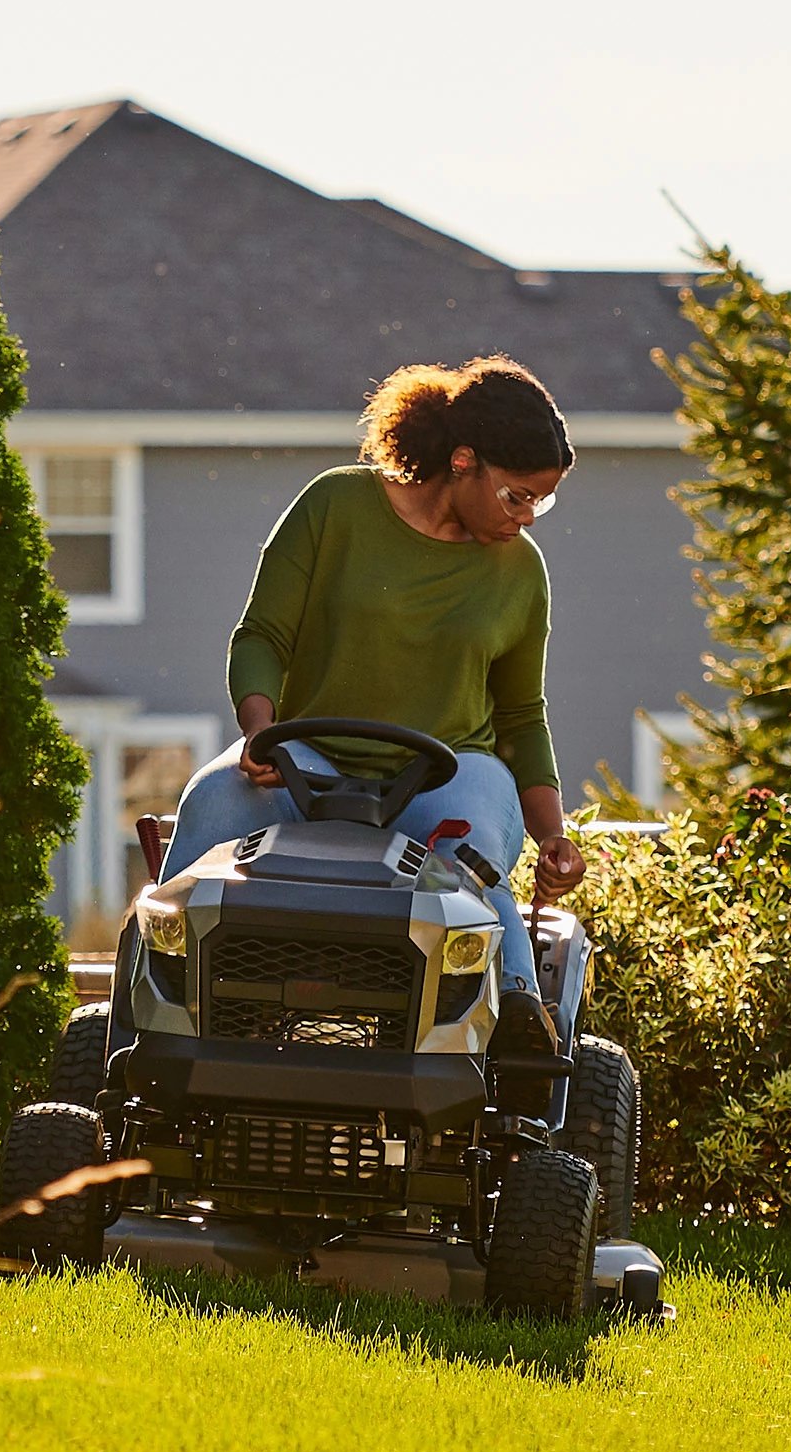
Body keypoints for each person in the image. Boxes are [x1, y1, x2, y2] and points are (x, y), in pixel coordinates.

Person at [158, 355, 580, 1045]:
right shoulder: (335, 506)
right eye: (516, 496)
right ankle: (159, 1007)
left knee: (468, 857)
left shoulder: (520, 572)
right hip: (303, 759)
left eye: (542, 501)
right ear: (464, 460)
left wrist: (553, 834)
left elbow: (520, 718)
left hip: (449, 771)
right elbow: (262, 636)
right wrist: (260, 733)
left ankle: (516, 1013)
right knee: (212, 806)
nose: (527, 518)